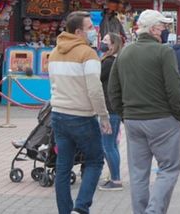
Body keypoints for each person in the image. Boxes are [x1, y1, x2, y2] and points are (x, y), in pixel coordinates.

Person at [108, 9, 180, 214]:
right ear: (153, 29)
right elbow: (174, 88)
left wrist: (124, 114)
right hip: (162, 118)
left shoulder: (124, 52)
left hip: (133, 120)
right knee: (168, 169)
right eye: (163, 27)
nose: (165, 30)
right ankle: (154, 211)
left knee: (138, 173)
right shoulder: (163, 52)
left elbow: (113, 89)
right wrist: (179, 114)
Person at [48, 11, 112, 214]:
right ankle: (81, 208)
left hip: (58, 114)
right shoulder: (88, 53)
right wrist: (103, 116)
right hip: (82, 116)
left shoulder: (55, 52)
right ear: (78, 32)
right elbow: (94, 89)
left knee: (63, 167)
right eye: (90, 27)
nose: (94, 31)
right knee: (94, 160)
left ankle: (65, 211)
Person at [99, 32, 124, 191]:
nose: (102, 42)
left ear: (113, 45)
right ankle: (115, 177)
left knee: (108, 145)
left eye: (106, 40)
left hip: (109, 108)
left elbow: (97, 79)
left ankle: (115, 180)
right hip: (115, 107)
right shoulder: (118, 60)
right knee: (112, 144)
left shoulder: (108, 62)